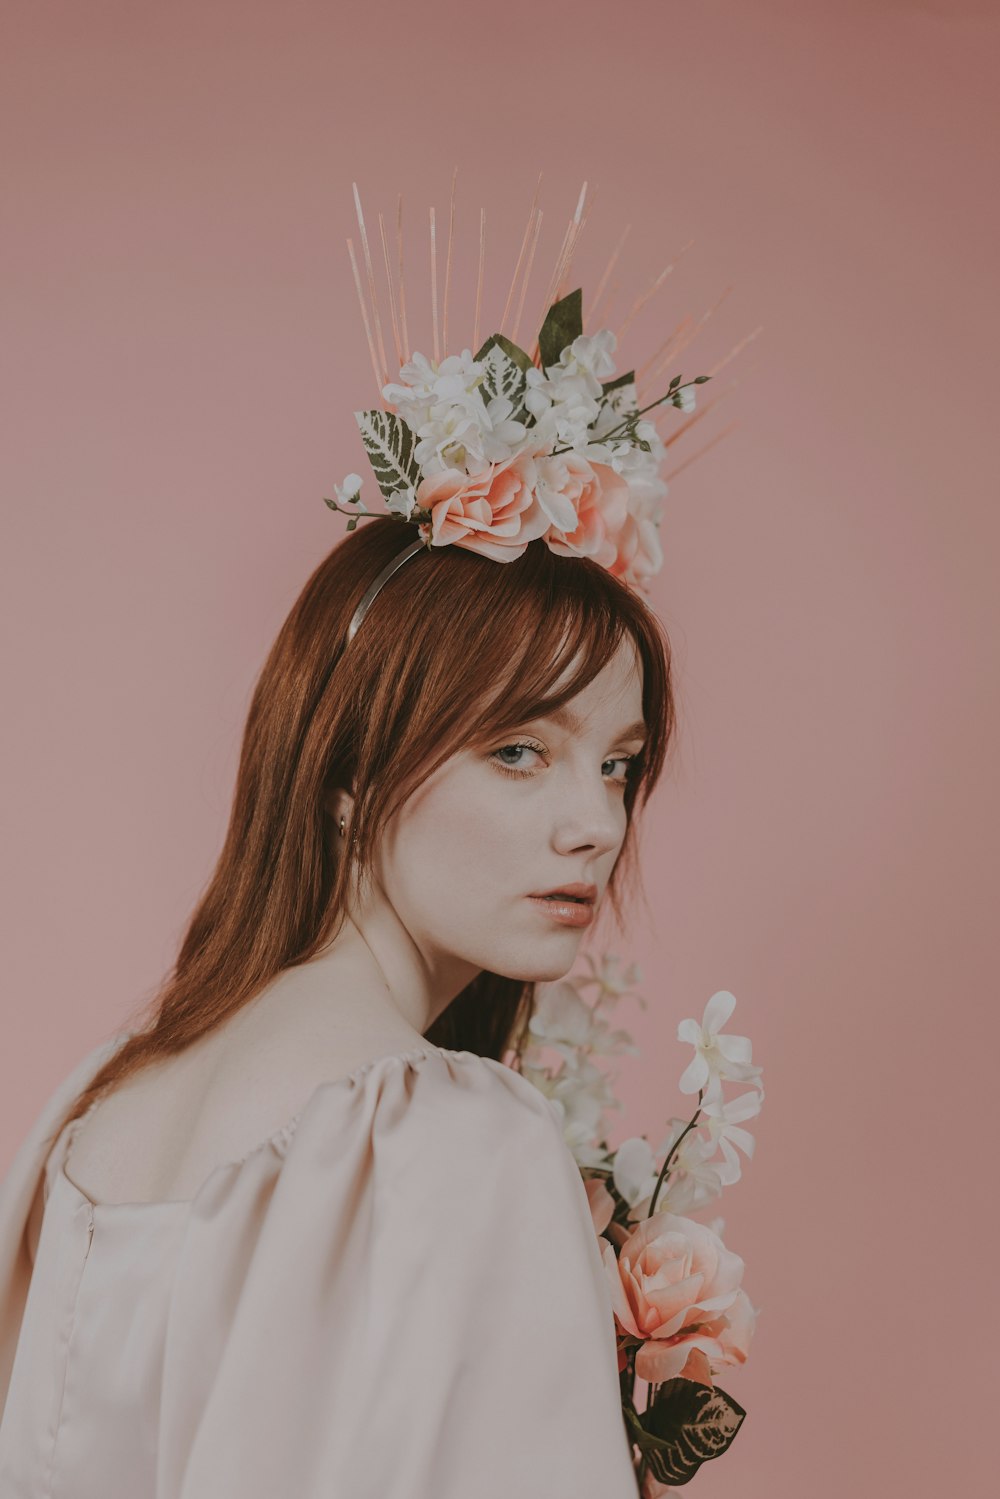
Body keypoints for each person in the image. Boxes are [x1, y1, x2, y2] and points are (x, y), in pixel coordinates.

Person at [0, 508, 677, 1496]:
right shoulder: (448, 1132)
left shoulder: (99, 1102)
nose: (596, 825)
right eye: (520, 750)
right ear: (349, 768)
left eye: (617, 763)